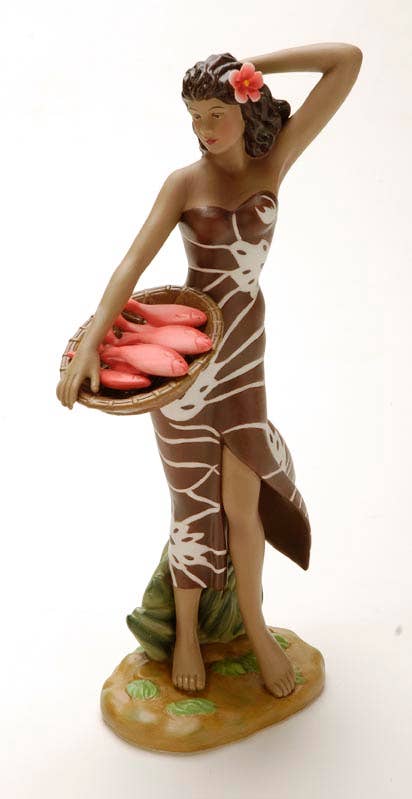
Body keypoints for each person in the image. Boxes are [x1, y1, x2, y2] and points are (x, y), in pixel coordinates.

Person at [56, 44, 363, 697]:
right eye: (194, 115)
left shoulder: (273, 159)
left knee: (243, 505)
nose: (204, 128)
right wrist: (91, 341)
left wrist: (253, 67)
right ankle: (188, 634)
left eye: (216, 113)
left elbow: (348, 61)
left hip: (244, 350)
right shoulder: (183, 183)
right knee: (193, 504)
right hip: (191, 356)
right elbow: (131, 264)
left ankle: (256, 628)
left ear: (243, 108)